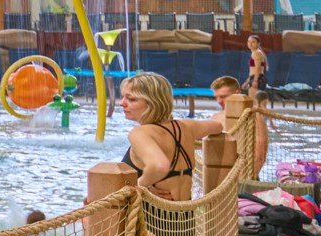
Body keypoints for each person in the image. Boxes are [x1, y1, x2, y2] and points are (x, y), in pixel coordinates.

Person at [116, 71, 196, 201]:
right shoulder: (183, 126)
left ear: (153, 103)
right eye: (123, 97)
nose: (121, 103)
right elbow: (216, 126)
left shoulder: (140, 133)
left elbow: (159, 166)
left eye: (131, 99)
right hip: (185, 217)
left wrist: (140, 186)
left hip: (151, 219)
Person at [211, 76, 270, 173]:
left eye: (223, 96)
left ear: (237, 93)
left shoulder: (253, 116)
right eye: (216, 97)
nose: (219, 101)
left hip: (245, 176)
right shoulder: (215, 117)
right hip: (221, 177)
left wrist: (247, 179)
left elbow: (261, 153)